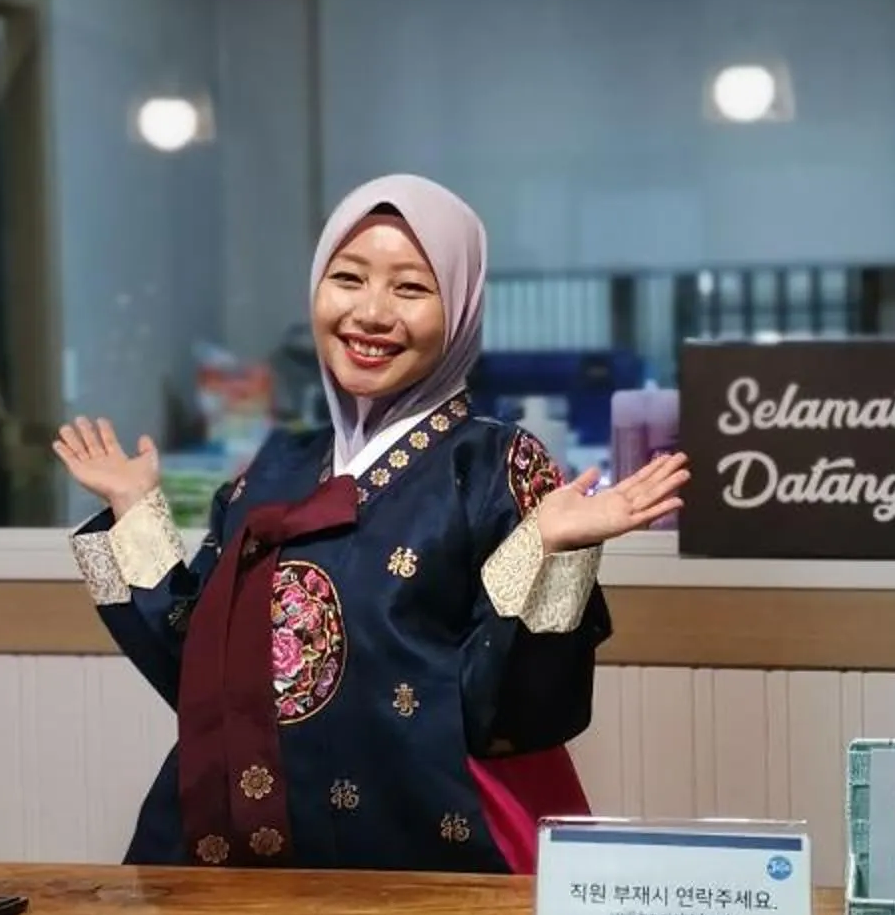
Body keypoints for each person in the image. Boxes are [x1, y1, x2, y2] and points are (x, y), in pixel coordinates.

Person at [57, 173, 686, 871]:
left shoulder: (494, 464)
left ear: (463, 307)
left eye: (412, 289)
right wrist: (132, 513)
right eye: (349, 278)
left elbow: (512, 715)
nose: (372, 313)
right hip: (243, 839)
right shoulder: (271, 468)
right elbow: (198, 673)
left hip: (421, 845)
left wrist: (554, 551)